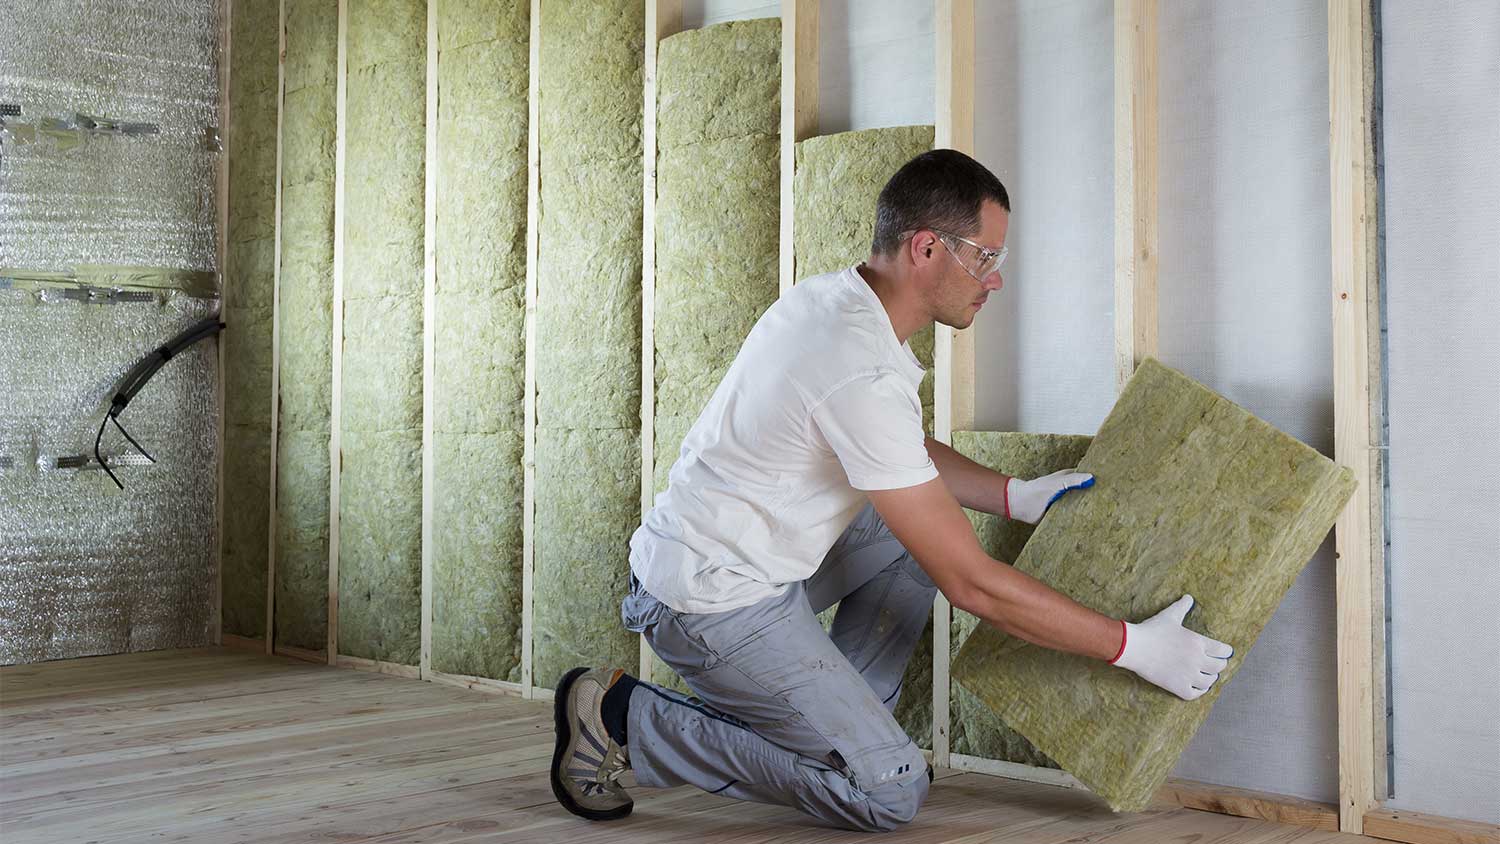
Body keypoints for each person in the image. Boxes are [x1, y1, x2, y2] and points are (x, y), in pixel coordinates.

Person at [548, 149, 1233, 832]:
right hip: (706, 603)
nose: (993, 280)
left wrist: (1011, 493)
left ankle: (848, 733)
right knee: (887, 794)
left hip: (740, 561)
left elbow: (899, 453)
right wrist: (1131, 647)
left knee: (910, 538)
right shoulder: (858, 365)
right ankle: (621, 717)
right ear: (928, 248)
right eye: (985, 257)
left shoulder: (839, 302)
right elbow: (974, 586)